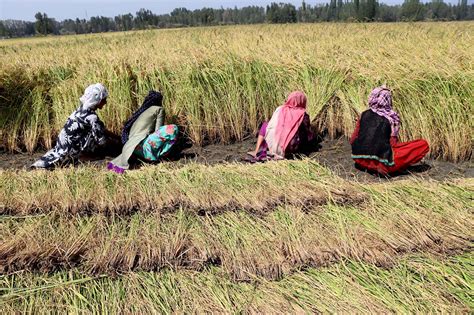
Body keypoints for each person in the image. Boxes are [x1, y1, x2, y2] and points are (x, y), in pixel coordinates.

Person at [31, 83, 114, 169]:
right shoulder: (92, 118)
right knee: (102, 150)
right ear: (97, 100)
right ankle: (83, 157)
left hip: (60, 148)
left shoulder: (79, 111)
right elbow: (102, 141)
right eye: (104, 100)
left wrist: (115, 136)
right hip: (70, 153)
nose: (105, 102)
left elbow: (101, 129)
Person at [350, 86, 429, 176]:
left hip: (358, 158)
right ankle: (382, 168)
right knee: (423, 144)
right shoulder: (391, 118)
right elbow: (393, 144)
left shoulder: (364, 114)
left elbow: (352, 139)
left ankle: (367, 166)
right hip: (381, 163)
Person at [107, 91, 178, 173]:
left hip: (132, 149)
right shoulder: (159, 109)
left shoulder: (142, 112)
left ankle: (149, 156)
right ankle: (158, 156)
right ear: (159, 101)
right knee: (173, 128)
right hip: (145, 150)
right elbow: (158, 130)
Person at [247, 91, 314, 161]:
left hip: (272, 146)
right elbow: (308, 135)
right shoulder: (303, 114)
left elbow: (272, 124)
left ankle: (257, 150)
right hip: (292, 149)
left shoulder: (280, 109)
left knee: (265, 125)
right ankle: (284, 152)